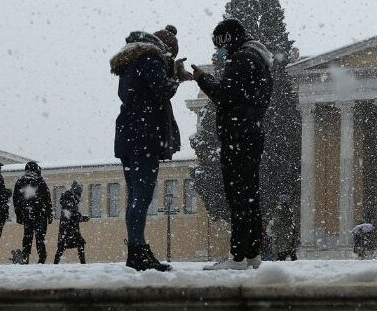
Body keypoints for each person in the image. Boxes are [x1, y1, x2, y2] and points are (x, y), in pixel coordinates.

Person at [189, 18, 274, 270]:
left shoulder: (242, 59)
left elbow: (225, 96)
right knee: (250, 195)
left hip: (239, 136)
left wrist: (203, 79)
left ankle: (237, 256)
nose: (218, 52)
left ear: (228, 40)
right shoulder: (260, 58)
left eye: (219, 46)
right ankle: (252, 254)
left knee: (238, 196)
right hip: (251, 132)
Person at [113, 28, 186, 272]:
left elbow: (141, 93)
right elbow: (163, 91)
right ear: (163, 48)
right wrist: (177, 76)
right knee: (141, 196)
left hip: (128, 135)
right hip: (145, 136)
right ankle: (137, 251)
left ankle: (137, 249)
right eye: (170, 53)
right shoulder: (150, 58)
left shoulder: (131, 61)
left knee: (135, 196)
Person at [12, 161, 53, 264]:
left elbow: (16, 200)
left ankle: (25, 256)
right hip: (40, 214)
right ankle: (42, 258)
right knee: (40, 237)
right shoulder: (40, 181)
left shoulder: (20, 182)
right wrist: (49, 213)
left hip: (27, 214)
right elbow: (47, 199)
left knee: (27, 236)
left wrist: (19, 215)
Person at [55, 181, 90, 264]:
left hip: (67, 227)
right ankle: (83, 263)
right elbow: (71, 213)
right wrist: (81, 218)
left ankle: (55, 263)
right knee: (76, 244)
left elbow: (71, 212)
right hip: (69, 227)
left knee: (63, 246)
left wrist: (80, 217)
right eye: (79, 193)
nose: (80, 196)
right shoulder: (70, 197)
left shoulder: (70, 197)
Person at [268, 194, 299, 261]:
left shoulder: (283, 209)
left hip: (285, 235)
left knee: (285, 253)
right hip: (285, 235)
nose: (289, 202)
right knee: (286, 252)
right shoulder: (283, 209)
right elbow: (281, 222)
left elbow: (278, 221)